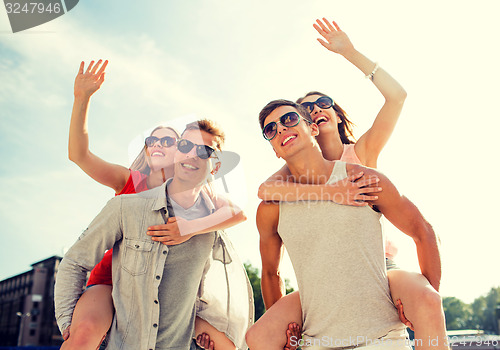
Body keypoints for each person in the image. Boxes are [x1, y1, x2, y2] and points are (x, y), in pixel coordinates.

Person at [257, 19, 447, 349]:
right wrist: (329, 192)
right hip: (321, 275)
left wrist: (349, 52)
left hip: (377, 266)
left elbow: (397, 97)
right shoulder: (288, 178)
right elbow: (264, 192)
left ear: (335, 117)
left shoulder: (361, 155)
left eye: (323, 103)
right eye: (307, 107)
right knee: (258, 336)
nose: (316, 109)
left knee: (426, 301)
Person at [63, 60, 250, 349]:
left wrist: (190, 228)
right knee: (85, 332)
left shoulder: (196, 190)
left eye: (170, 140)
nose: (160, 144)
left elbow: (236, 212)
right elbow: (79, 154)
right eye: (153, 139)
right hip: (111, 281)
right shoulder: (130, 181)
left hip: (164, 296)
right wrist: (82, 99)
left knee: (226, 343)